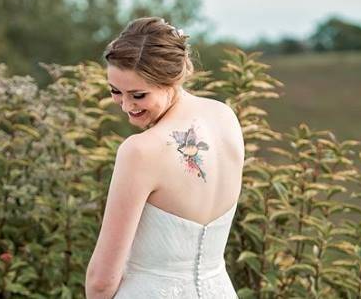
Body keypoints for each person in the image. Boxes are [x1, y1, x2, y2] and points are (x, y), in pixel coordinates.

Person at [85, 17, 245, 298]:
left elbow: (102, 280)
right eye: (115, 91)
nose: (126, 105)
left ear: (170, 79)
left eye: (138, 95)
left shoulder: (140, 151)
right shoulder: (225, 117)